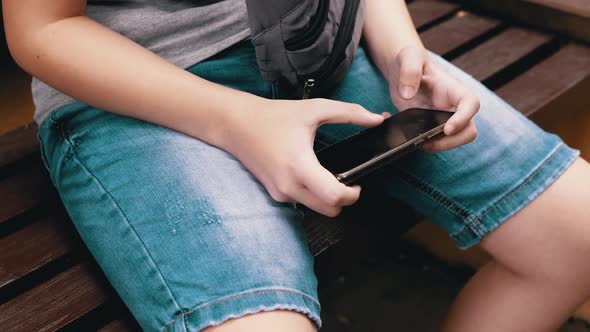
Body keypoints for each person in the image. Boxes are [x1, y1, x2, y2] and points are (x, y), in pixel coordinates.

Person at [3, 0, 590, 331]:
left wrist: (400, 47)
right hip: (138, 90)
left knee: (577, 234)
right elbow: (43, 28)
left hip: (325, 44)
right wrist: (237, 120)